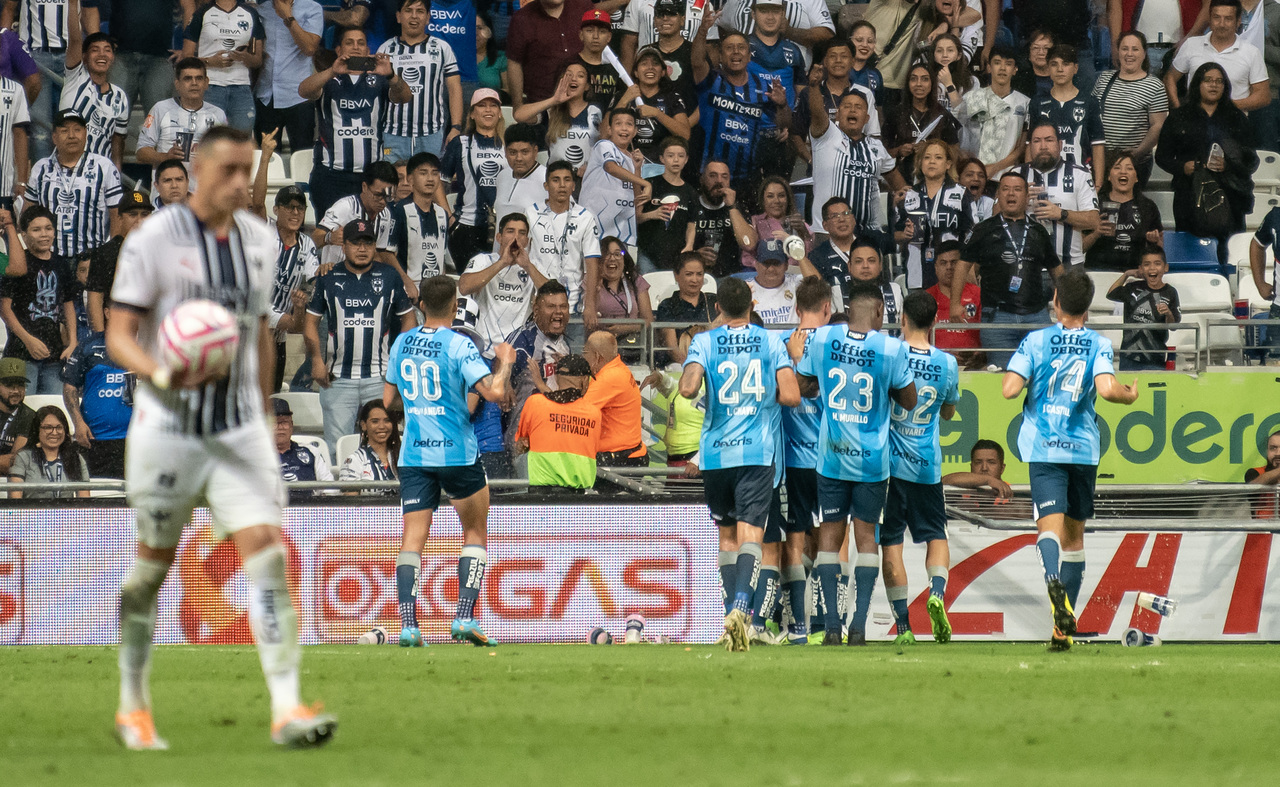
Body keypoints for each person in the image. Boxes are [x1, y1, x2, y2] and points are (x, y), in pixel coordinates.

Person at [106, 125, 335, 749]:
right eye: (230, 171)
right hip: (168, 426)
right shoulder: (155, 237)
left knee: (268, 553)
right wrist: (158, 369)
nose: (241, 183)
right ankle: (133, 704)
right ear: (199, 170)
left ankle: (287, 709)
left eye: (248, 170)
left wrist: (260, 418)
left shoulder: (260, 241)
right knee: (151, 569)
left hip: (237, 429)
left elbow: (261, 334)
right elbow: (119, 331)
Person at [1001, 268, 1140, 651]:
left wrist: (1029, 377)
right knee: (1075, 539)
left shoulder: (1036, 341)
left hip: (1044, 447)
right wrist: (1129, 397)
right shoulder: (1098, 343)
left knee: (1048, 528)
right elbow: (1108, 390)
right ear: (1089, 308)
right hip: (1082, 449)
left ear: (1056, 302)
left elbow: (1009, 390)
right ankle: (1063, 631)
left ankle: (1051, 577)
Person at [386, 275, 515, 646]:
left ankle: (409, 626)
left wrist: (418, 405)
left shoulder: (401, 342)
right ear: (456, 306)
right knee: (474, 532)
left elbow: (388, 399)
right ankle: (463, 618)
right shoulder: (459, 345)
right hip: (456, 451)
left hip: (414, 453)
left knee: (412, 538)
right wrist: (504, 362)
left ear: (421, 304)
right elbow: (493, 392)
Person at [678, 276, 799, 651]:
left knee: (727, 535)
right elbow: (792, 396)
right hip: (756, 452)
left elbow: (686, 388)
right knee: (752, 534)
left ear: (717, 308)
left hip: (715, 454)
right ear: (753, 305)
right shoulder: (771, 341)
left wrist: (707, 344)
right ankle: (742, 608)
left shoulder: (704, 341)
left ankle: (731, 610)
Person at [794, 281, 917, 645]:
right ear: (880, 311)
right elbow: (909, 400)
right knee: (866, 541)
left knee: (829, 539)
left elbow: (803, 386)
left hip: (831, 457)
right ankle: (858, 625)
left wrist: (820, 386)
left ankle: (831, 625)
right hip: (872, 463)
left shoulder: (824, 339)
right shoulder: (891, 348)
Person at [879, 290, 960, 645]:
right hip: (927, 465)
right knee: (936, 535)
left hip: (890, 466)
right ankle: (937, 594)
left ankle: (904, 627)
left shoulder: (888, 354)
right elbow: (948, 411)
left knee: (892, 544)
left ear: (903, 319)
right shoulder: (948, 363)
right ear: (935, 322)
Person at [305, 218, 416, 457]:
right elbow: (310, 323)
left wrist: (397, 360)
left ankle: (384, 493)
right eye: (356, 243)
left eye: (368, 243)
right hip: (337, 379)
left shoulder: (390, 276)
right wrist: (315, 359)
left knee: (385, 443)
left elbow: (409, 319)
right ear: (343, 246)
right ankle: (341, 494)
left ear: (375, 246)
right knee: (337, 447)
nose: (362, 249)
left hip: (379, 377)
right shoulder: (328, 276)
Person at [299, 26, 412, 218]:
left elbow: (405, 96)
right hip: (330, 175)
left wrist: (391, 75)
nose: (355, 47)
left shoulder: (381, 80)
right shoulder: (328, 79)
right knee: (331, 233)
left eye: (361, 43)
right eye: (349, 42)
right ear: (339, 50)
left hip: (371, 177)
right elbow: (303, 91)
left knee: (369, 235)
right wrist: (331, 71)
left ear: (368, 51)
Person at [955, 171, 1064, 368]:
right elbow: (962, 266)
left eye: (1017, 189)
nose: (1011, 194)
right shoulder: (983, 229)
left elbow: (1056, 269)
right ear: (998, 194)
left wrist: (1068, 304)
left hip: (1036, 315)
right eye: (1005, 189)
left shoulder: (1039, 231)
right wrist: (955, 303)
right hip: (998, 317)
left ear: (1026, 195)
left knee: (1044, 373)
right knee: (1001, 379)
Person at [772, 275, 830, 643]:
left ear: (795, 308)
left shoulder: (778, 344)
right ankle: (826, 622)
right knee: (828, 540)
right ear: (827, 308)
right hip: (828, 461)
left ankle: (794, 624)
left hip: (789, 460)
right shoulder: (838, 346)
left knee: (793, 541)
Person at [1156, 63, 1258, 257]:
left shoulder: (1236, 117)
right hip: (1189, 195)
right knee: (1192, 251)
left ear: (1225, 86)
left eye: (1219, 81)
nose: (1214, 85)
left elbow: (1251, 160)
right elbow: (1162, 156)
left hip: (1230, 195)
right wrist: (1182, 167)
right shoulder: (1179, 116)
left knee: (1229, 253)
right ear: (1197, 84)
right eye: (1208, 80)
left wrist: (1228, 165)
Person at [692, 16, 791, 210]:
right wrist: (703, 31)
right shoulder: (711, 80)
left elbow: (784, 123)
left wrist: (782, 104)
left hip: (747, 178)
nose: (736, 52)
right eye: (729, 48)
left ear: (749, 56)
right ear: (720, 56)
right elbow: (696, 62)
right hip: (709, 174)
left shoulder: (763, 86)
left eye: (741, 48)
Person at [805, 64, 901, 239]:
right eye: (847, 106)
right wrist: (813, 87)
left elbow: (900, 186)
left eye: (858, 107)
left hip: (868, 236)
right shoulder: (826, 135)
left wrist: (900, 198)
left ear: (866, 118)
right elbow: (817, 112)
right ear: (837, 114)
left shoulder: (876, 148)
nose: (853, 109)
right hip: (827, 234)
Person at [1, 0, 95, 161]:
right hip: (35, 54)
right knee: (40, 130)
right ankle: (41, 181)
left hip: (71, 53)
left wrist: (95, 46)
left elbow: (89, 10)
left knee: (74, 122)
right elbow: (9, 7)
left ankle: (76, 177)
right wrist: (4, 47)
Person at [1, 205, 77, 394]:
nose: (44, 234)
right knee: (24, 410)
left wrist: (73, 341)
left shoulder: (62, 264)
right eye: (36, 230)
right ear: (24, 235)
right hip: (21, 353)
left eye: (48, 228)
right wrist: (28, 340)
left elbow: (68, 305)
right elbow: (5, 309)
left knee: (53, 409)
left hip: (54, 355)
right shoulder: (18, 263)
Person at [26, 109, 122, 259]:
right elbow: (28, 214)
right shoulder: (41, 168)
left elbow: (117, 215)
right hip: (49, 258)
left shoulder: (104, 167)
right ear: (54, 137)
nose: (72, 135)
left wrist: (110, 256)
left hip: (92, 258)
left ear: (85, 134)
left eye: (77, 130)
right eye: (64, 131)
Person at [378, 0, 463, 161]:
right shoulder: (385, 49)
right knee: (392, 184)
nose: (414, 16)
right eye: (408, 10)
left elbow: (454, 88)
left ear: (428, 17)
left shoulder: (442, 48)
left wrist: (456, 127)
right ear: (398, 16)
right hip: (393, 134)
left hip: (431, 134)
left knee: (429, 184)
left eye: (420, 11)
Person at [253, 179, 317, 392]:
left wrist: (300, 306)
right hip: (255, 318)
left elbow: (297, 324)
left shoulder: (307, 245)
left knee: (271, 399)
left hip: (277, 336)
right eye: (289, 207)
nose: (295, 212)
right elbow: (256, 205)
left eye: (300, 208)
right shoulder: (265, 231)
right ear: (276, 209)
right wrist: (266, 156)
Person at [458, 213, 550, 358]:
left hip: (518, 351)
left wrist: (527, 266)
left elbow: (552, 296)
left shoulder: (534, 266)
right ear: (499, 237)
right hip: (484, 350)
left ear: (527, 241)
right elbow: (464, 287)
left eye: (522, 233)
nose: (516, 237)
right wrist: (502, 263)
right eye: (510, 231)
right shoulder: (483, 260)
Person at [526, 160, 602, 333]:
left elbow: (591, 263)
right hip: (538, 303)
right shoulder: (531, 213)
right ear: (546, 185)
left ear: (573, 186)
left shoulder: (585, 217)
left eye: (567, 180)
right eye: (555, 180)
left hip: (572, 303)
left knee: (572, 359)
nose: (562, 185)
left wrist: (589, 304)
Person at [504, 280, 573, 466]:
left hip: (556, 429)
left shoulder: (565, 344)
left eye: (563, 306)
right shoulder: (524, 338)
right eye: (551, 306)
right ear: (536, 310)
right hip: (526, 433)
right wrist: (505, 383)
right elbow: (501, 361)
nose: (558, 312)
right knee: (525, 489)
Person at [1015, 120, 1100, 270]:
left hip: (1069, 267)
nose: (1043, 146)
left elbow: (1093, 221)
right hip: (1024, 267)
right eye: (1037, 141)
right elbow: (996, 215)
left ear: (1060, 145)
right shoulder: (1016, 174)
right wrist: (1019, 201)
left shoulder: (1080, 175)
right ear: (1030, 146)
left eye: (1049, 140)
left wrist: (1061, 214)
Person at [515, 352, 603, 492]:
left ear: (556, 377)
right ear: (584, 380)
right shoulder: (594, 413)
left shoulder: (534, 403)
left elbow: (522, 444)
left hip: (540, 493)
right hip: (576, 496)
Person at [61, 302, 131, 478]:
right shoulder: (87, 346)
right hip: (95, 439)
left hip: (134, 439)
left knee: (132, 499)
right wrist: (77, 423)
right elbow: (69, 388)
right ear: (106, 312)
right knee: (97, 497)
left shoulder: (140, 346)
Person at [136, 59, 228, 191]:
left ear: (206, 83)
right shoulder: (160, 109)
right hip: (166, 197)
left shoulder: (218, 115)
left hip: (202, 196)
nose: (194, 83)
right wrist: (166, 157)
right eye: (188, 79)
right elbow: (141, 153)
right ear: (177, 84)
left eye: (199, 78)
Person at [1092, 30, 1169, 186]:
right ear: (1118, 51)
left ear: (1144, 53)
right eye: (1125, 48)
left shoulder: (1154, 86)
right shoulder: (1104, 78)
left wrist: (1137, 153)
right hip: (1102, 160)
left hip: (1134, 163)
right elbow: (1092, 115)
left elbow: (1158, 126)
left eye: (1135, 49)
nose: (1129, 54)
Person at [439, 88, 506, 269]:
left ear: (500, 113)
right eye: (482, 106)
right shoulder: (460, 143)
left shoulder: (509, 144)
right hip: (466, 226)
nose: (488, 110)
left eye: (493, 106)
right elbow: (439, 182)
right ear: (472, 114)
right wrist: (450, 218)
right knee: (467, 283)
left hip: (502, 228)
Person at [792, 37, 881, 170]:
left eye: (844, 56)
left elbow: (874, 136)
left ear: (852, 61)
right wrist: (811, 160)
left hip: (856, 168)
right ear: (825, 62)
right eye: (833, 56)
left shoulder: (865, 94)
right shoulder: (810, 92)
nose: (838, 61)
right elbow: (796, 134)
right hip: (820, 168)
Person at [894, 138, 972, 290]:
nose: (932, 162)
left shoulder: (961, 194)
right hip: (917, 275)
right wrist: (905, 235)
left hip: (952, 273)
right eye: (927, 157)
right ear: (920, 162)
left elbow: (972, 231)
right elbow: (894, 234)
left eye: (938, 157)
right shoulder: (909, 195)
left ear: (948, 164)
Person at [1165, 0, 1269, 112]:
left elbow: (1263, 96)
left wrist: (1226, 106)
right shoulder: (1191, 45)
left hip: (1233, 123)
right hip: (1194, 122)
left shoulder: (1251, 52)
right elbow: (1169, 78)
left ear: (1238, 21)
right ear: (1209, 19)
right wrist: (1178, 110)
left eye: (1228, 19)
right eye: (1216, 17)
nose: (1222, 24)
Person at [182, 0, 266, 132]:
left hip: (241, 87)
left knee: (241, 141)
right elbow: (186, 57)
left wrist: (244, 57)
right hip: (211, 86)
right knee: (209, 140)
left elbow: (257, 60)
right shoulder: (203, 13)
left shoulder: (250, 13)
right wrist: (210, 61)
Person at [313, 161, 402, 283]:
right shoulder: (344, 207)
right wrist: (328, 238)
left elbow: (379, 254)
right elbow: (312, 241)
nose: (382, 201)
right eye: (377, 195)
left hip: (364, 280)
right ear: (364, 187)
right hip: (335, 277)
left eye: (388, 196)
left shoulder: (385, 214)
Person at [1029, 44, 1106, 184]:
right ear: (1048, 68)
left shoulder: (1090, 102)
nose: (1060, 69)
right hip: (1044, 179)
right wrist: (1030, 180)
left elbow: (1098, 145)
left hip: (1080, 179)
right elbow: (1030, 145)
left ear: (1075, 68)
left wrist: (1098, 184)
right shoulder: (1037, 103)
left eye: (1065, 64)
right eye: (1054, 64)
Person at [254, 0, 323, 152]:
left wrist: (288, 17)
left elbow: (309, 48)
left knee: (302, 157)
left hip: (299, 96)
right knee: (267, 159)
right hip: (266, 95)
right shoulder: (261, 11)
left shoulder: (312, 8)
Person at [60, 18, 128, 168]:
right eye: (95, 50)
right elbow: (75, 41)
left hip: (100, 173)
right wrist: (73, 5)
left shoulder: (120, 96)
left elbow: (118, 140)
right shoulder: (75, 78)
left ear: (113, 57)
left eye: (107, 50)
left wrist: (115, 174)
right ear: (84, 56)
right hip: (68, 168)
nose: (102, 55)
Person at [955, 45, 1029, 182]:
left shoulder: (1024, 103)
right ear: (989, 67)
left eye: (1008, 64)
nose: (1002, 68)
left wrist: (995, 168)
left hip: (1006, 177)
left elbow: (1020, 148)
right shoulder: (971, 98)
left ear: (1015, 70)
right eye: (997, 63)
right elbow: (959, 140)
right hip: (972, 177)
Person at [506, 0, 595, 108]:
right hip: (542, 103)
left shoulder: (583, 6)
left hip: (585, 100)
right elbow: (514, 63)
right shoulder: (522, 18)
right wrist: (518, 105)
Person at [581, 107, 650, 246]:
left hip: (624, 236)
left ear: (635, 131)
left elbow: (638, 208)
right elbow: (611, 167)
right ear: (610, 129)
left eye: (629, 124)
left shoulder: (635, 161)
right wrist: (646, 184)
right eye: (618, 124)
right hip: (596, 230)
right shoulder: (604, 145)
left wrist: (637, 169)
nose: (624, 128)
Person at [1084, 153, 1165, 272]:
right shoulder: (1094, 205)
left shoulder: (1148, 207)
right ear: (1109, 176)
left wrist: (1154, 242)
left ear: (1136, 177)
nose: (1123, 172)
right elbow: (1080, 247)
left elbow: (1159, 252)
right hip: (1098, 270)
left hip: (1134, 272)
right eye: (1117, 167)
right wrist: (1096, 233)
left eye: (1129, 168)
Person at [1106, 244, 1181, 370]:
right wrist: (1127, 274)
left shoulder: (1171, 292)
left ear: (1165, 267)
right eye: (1146, 264)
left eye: (1157, 263)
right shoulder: (1133, 287)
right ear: (1141, 269)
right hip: (1129, 355)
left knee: (1153, 389)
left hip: (1155, 356)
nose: (1152, 268)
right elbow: (1111, 293)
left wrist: (1168, 314)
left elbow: (1173, 326)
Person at [86, 190, 152, 332]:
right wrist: (100, 337)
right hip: (115, 329)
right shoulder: (104, 253)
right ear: (120, 218)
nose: (139, 220)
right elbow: (95, 298)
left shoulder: (157, 250)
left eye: (145, 214)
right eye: (132, 214)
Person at [516, 62, 600, 175]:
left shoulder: (596, 110)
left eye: (580, 76)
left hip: (586, 177)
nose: (573, 79)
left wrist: (592, 166)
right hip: (555, 178)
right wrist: (554, 100)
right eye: (569, 75)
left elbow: (606, 142)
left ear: (586, 86)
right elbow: (519, 116)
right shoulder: (552, 111)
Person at [881, 63, 960, 181]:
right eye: (913, 79)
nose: (919, 84)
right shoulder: (896, 113)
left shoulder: (942, 115)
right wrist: (899, 150)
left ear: (932, 83)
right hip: (903, 178)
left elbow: (954, 150)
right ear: (907, 84)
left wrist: (930, 147)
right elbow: (882, 151)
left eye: (925, 79)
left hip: (935, 178)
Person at [618, 46, 693, 172]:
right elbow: (605, 133)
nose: (650, 67)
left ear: (663, 72)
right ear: (636, 72)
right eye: (644, 63)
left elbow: (685, 134)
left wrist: (657, 114)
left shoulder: (672, 97)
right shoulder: (623, 95)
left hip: (660, 167)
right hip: (626, 166)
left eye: (655, 64)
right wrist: (624, 100)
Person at [583, 330, 649, 471]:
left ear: (597, 357)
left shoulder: (609, 377)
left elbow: (577, 412)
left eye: (585, 353)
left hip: (619, 460)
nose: (583, 358)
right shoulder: (618, 368)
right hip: (629, 455)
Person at [683, 159, 758, 277]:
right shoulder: (691, 206)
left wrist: (732, 207)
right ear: (702, 179)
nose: (719, 181)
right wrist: (695, 256)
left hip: (730, 277)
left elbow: (749, 244)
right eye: (713, 176)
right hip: (696, 276)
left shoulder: (737, 207)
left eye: (724, 177)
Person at [636, 135, 697, 273]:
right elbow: (636, 218)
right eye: (670, 155)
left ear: (686, 159)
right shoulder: (650, 184)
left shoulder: (691, 192)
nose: (676, 160)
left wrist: (689, 246)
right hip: (648, 254)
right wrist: (653, 214)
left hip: (676, 258)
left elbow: (691, 225)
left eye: (680, 156)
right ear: (662, 159)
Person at [389, 152, 452, 282]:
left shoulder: (442, 214)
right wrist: (406, 282)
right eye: (423, 173)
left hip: (436, 290)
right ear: (411, 179)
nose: (430, 179)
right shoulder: (399, 211)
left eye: (434, 173)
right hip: (409, 287)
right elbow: (387, 254)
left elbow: (441, 255)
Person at [7, 404, 90, 497]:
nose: (54, 432)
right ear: (37, 430)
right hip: (33, 510)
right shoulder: (23, 458)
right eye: (48, 427)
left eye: (59, 427)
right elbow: (15, 500)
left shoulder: (76, 458)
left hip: (65, 511)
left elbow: (84, 501)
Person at [655, 252, 719, 364]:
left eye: (699, 274)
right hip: (680, 367)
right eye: (689, 274)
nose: (695, 280)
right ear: (676, 275)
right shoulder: (667, 306)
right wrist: (692, 368)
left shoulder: (714, 301)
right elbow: (672, 348)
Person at [592, 237, 652, 353]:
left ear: (624, 259)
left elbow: (648, 320)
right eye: (607, 255)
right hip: (599, 345)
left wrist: (624, 328)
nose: (612, 259)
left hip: (632, 345)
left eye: (618, 254)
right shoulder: (590, 281)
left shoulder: (636, 281)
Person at [926, 239, 982, 365]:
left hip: (973, 366)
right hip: (936, 366)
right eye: (943, 263)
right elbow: (916, 339)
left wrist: (979, 354)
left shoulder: (977, 294)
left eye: (954, 262)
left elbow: (987, 335)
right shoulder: (926, 297)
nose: (949, 267)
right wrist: (942, 356)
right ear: (935, 267)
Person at [273, 397, 335, 502]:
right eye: (274, 423)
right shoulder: (257, 456)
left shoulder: (311, 451)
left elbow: (329, 486)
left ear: (291, 425)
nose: (280, 427)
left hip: (307, 511)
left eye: (284, 422)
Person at [744, 176, 811, 270]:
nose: (776, 201)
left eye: (781, 195)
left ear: (788, 199)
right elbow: (746, 257)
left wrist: (803, 234)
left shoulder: (799, 224)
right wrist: (762, 267)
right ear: (763, 200)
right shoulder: (755, 222)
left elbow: (811, 257)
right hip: (765, 274)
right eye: (770, 196)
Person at [337, 398, 399, 492]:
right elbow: (349, 503)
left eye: (387, 420)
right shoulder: (354, 461)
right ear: (363, 425)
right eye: (375, 421)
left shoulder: (403, 457)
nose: (382, 426)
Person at [492, 123, 547, 230]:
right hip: (500, 246)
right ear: (505, 152)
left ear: (535, 151)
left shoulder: (548, 178)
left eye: (525, 152)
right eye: (513, 152)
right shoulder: (502, 176)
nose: (519, 158)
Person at [1249, 204, 1280, 363]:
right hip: (1279, 312)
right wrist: (1260, 284)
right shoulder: (1275, 216)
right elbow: (1257, 244)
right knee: (1274, 369)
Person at [747, 240, 803, 325]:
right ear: (756, 265)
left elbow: (819, 284)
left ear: (786, 265)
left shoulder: (797, 283)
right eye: (766, 263)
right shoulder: (746, 289)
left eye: (776, 263)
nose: (771, 269)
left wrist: (799, 255)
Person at [577, 9, 623, 108]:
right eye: (590, 31)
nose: (596, 36)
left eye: (602, 32)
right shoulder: (570, 64)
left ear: (609, 37)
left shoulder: (615, 68)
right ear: (581, 34)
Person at [942, 438, 1014, 498]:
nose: (984, 468)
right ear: (971, 466)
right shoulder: (961, 493)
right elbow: (944, 481)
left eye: (991, 462)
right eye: (978, 462)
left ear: (1002, 468)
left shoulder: (1016, 492)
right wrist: (988, 480)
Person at [0, 356, 34, 473]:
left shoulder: (30, 416)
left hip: (12, 481)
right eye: (9, 385)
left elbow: (16, 462)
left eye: (20, 385)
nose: (16, 391)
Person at [930, 33, 977, 112]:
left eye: (950, 50)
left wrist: (949, 85)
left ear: (959, 55)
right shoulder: (926, 80)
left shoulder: (972, 81)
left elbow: (966, 116)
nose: (945, 55)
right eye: (939, 51)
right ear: (934, 56)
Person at [1245, 430, 1280, 519]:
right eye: (1273, 448)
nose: (1278, 453)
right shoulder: (1255, 472)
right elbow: (1253, 487)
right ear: (1267, 451)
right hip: (1263, 531)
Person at [474, 11, 508, 97]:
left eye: (479, 28)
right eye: (471, 28)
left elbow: (508, 91)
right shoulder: (457, 58)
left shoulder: (501, 58)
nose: (475, 33)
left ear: (489, 31)